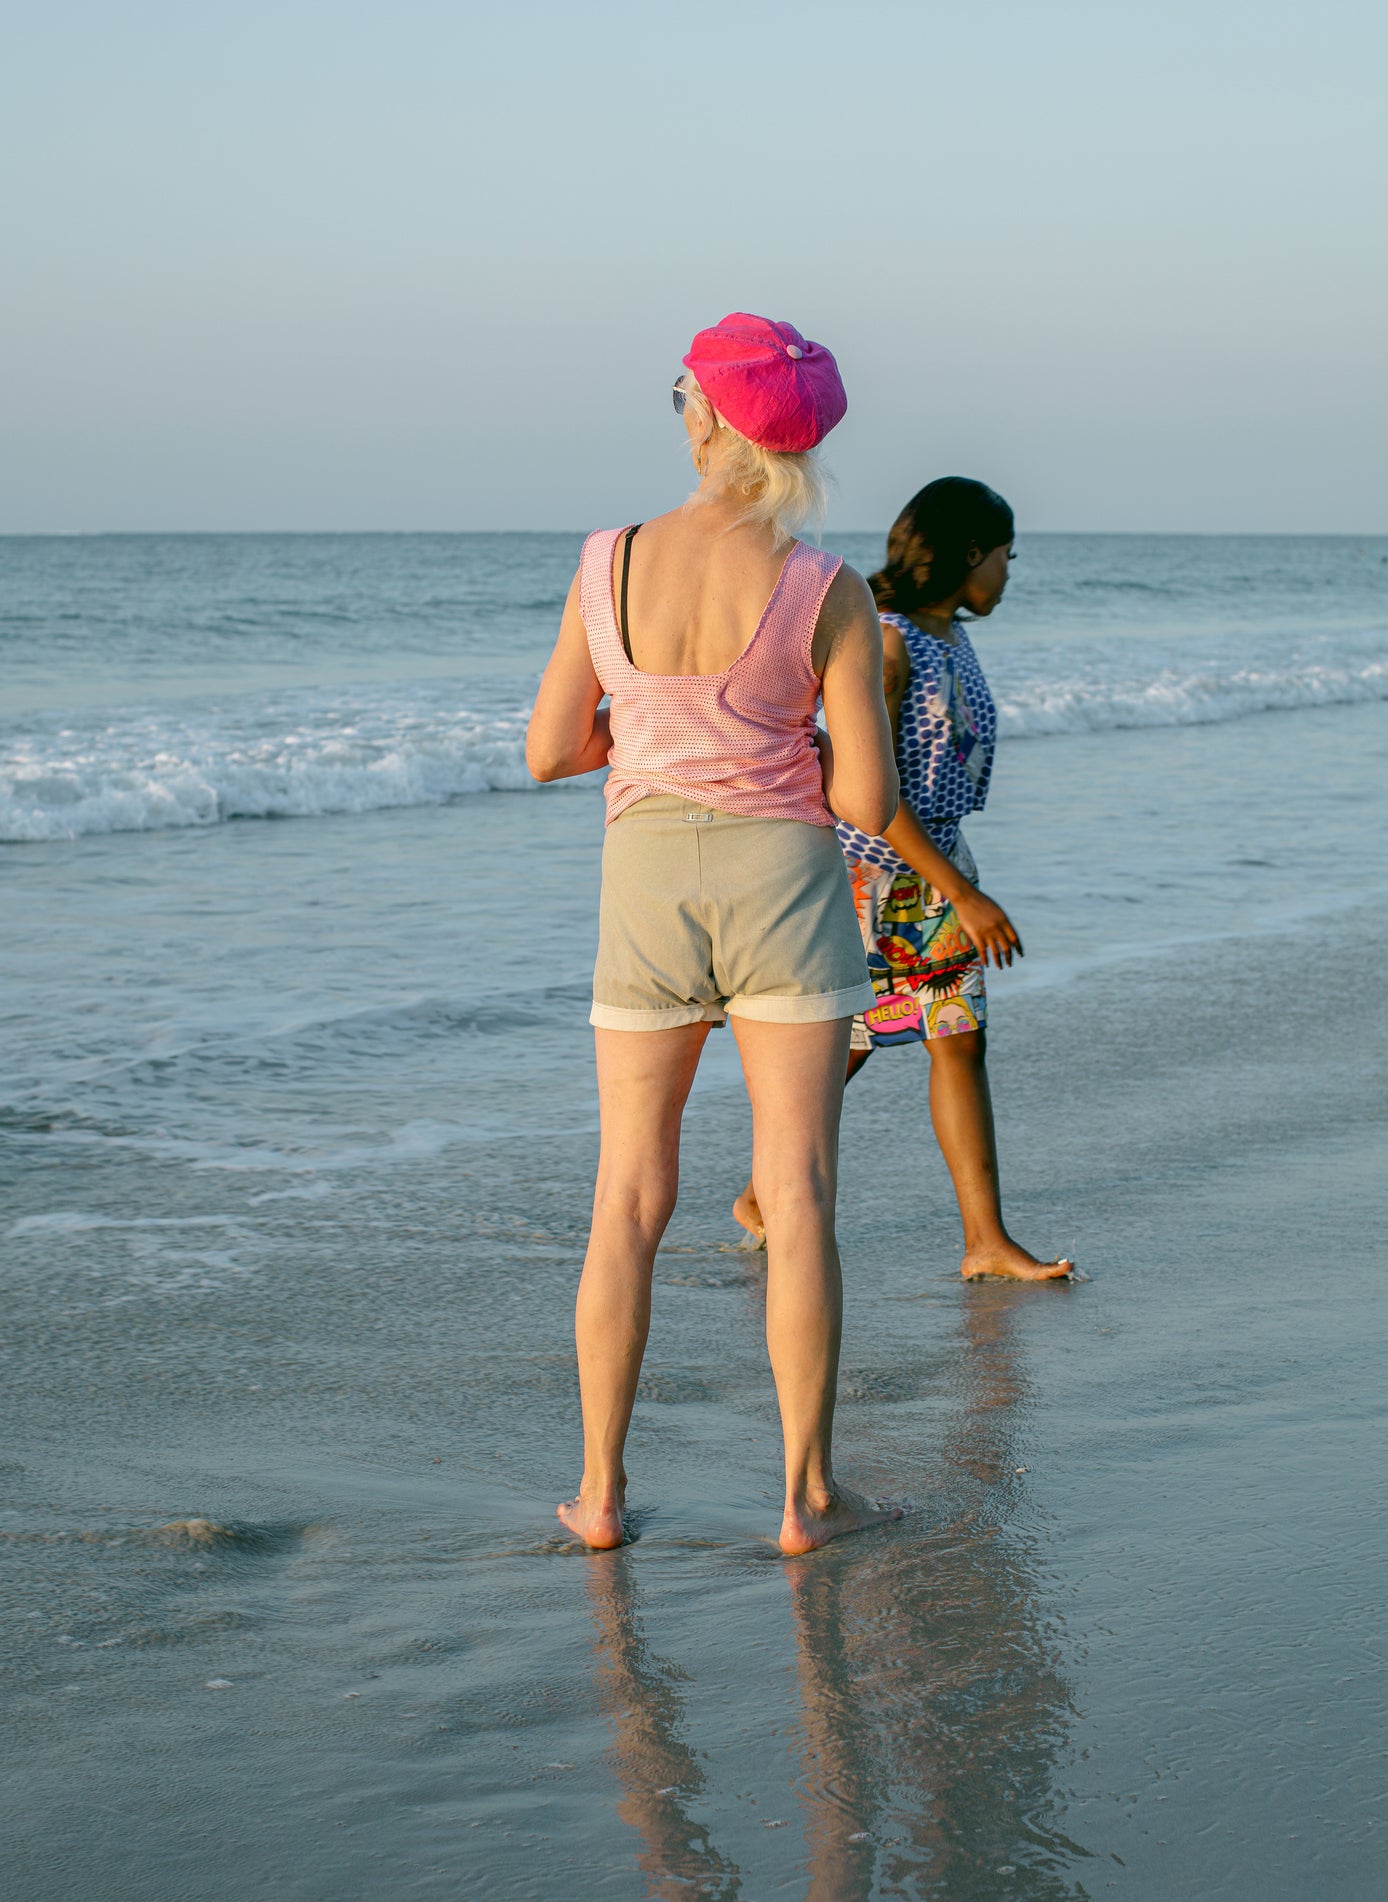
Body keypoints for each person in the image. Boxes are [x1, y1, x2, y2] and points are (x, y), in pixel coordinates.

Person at [525, 312, 903, 1554]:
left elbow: (546, 753)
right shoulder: (824, 588)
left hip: (644, 886)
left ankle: (598, 1494)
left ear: (703, 416)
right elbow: (862, 802)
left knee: (626, 1197)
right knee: (794, 1195)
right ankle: (802, 1497)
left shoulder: (606, 562)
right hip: (784, 886)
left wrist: (640, 739)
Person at [733, 478, 1072, 1281]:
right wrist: (961, 893)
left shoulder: (945, 632)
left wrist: (955, 877)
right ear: (965, 554)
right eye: (1004, 557)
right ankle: (762, 1196)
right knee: (853, 1045)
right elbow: (865, 790)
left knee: (943, 1039)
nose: (1007, 574)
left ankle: (981, 1240)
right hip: (872, 873)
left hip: (932, 864)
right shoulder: (886, 642)